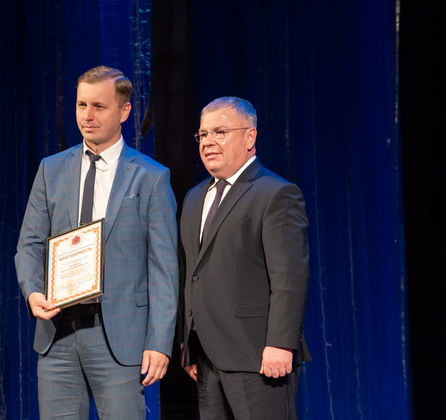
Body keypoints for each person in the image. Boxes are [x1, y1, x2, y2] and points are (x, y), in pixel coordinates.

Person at [15, 65, 178, 419]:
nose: (87, 116)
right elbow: (29, 244)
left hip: (119, 337)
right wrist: (32, 291)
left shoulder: (151, 177)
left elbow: (164, 268)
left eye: (99, 106)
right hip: (57, 335)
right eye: (81, 105)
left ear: (124, 110)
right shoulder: (51, 169)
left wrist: (159, 342)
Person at [179, 96, 310, 419]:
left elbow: (289, 278)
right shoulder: (194, 197)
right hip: (206, 358)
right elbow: (192, 274)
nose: (208, 141)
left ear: (250, 137)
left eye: (220, 132)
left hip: (258, 356)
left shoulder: (275, 193)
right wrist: (188, 344)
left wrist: (281, 344)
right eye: (203, 134)